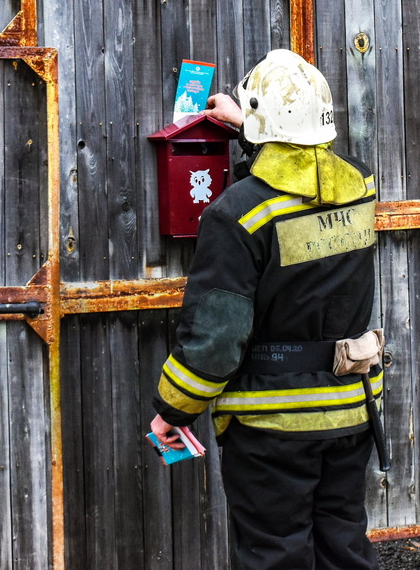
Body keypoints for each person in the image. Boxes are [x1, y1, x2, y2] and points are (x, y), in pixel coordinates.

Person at [149, 49, 383, 570]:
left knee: (276, 555)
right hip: (351, 408)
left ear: (261, 121)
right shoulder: (361, 188)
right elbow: (304, 176)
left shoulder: (237, 215)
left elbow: (216, 339)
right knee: (342, 546)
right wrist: (250, 128)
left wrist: (173, 411)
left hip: (273, 424)